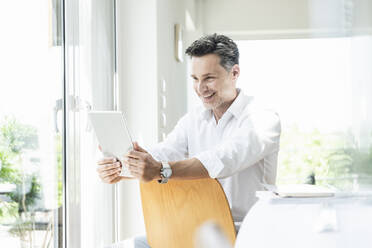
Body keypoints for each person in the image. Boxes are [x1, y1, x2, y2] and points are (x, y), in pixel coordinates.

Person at [98, 33, 281, 248]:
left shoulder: (262, 118)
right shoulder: (194, 119)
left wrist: (159, 170)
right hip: (190, 230)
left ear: (235, 73)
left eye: (209, 78)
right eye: (195, 79)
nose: (201, 88)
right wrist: (124, 168)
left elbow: (224, 159)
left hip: (245, 236)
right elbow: (164, 153)